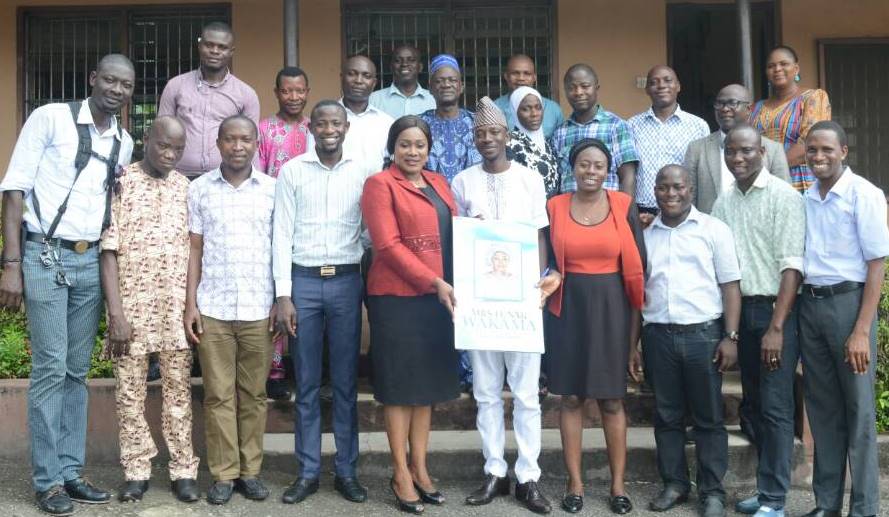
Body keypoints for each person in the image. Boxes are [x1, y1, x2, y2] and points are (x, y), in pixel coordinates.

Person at [0, 53, 135, 516]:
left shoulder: (125, 142)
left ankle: (71, 472)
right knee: (51, 369)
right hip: (43, 255)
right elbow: (14, 189)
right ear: (93, 78)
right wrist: (12, 263)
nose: (116, 89)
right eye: (110, 80)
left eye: (126, 84)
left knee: (77, 372)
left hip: (89, 261)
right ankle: (47, 481)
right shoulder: (50, 118)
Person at [452, 97, 552, 515]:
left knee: (527, 395)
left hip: (523, 302)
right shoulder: (462, 182)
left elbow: (541, 237)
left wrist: (541, 286)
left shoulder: (530, 180)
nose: (487, 139)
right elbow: (459, 242)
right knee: (486, 392)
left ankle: (528, 477)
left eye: (494, 132)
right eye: (480, 133)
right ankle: (495, 470)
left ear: (507, 136)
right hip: (479, 304)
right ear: (473, 138)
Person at [274, 101, 374, 506]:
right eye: (322, 123)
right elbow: (281, 233)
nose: (329, 129)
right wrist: (284, 294)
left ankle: (347, 471)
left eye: (336, 122)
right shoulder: (292, 171)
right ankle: (308, 470)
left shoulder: (364, 170)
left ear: (346, 127)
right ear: (310, 128)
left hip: (347, 282)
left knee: (347, 382)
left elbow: (370, 228)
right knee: (308, 383)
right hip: (304, 282)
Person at [361, 115, 462, 514]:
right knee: (401, 390)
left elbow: (454, 232)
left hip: (438, 300)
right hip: (398, 299)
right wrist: (434, 282)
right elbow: (387, 246)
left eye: (419, 144)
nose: (413, 152)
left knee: (427, 390)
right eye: (405, 144)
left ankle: (421, 468)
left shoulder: (439, 182)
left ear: (429, 147)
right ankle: (400, 472)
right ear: (392, 147)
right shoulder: (379, 185)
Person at [99, 116, 199, 504]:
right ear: (147, 140)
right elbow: (108, 251)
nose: (170, 154)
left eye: (178, 148)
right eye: (163, 146)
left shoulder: (185, 188)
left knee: (179, 392)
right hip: (133, 311)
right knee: (129, 394)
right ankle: (137, 469)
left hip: (174, 309)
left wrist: (191, 304)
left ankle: (183, 470)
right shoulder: (121, 184)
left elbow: (194, 250)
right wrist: (116, 314)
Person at [543, 138, 645, 515]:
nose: (591, 171)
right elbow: (544, 261)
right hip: (567, 308)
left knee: (612, 400)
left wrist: (634, 339)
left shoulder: (624, 205)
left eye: (598, 166)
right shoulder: (554, 207)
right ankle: (575, 483)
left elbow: (638, 273)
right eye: (584, 164)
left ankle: (619, 485)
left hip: (612, 311)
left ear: (609, 170)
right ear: (573, 168)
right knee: (570, 398)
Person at [711, 124, 805, 517]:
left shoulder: (784, 197)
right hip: (740, 310)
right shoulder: (723, 202)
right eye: (732, 151)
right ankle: (766, 489)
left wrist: (776, 328)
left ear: (763, 153)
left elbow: (792, 267)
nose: (738, 158)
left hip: (774, 312)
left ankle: (774, 499)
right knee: (753, 405)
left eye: (746, 151)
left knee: (776, 407)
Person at [184, 115, 276, 505]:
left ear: (256, 144)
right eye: (230, 139)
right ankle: (223, 474)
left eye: (245, 139)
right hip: (214, 307)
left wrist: (281, 299)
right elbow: (194, 248)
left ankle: (250, 471)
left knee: (253, 394)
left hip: (259, 307)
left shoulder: (273, 189)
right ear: (218, 143)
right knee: (218, 395)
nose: (238, 146)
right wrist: (190, 303)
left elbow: (281, 247)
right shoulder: (200, 189)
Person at [798, 121, 888, 517]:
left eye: (826, 150)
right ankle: (827, 504)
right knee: (823, 411)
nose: (818, 157)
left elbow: (876, 265)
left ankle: (865, 507)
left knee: (859, 411)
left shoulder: (864, 195)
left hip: (848, 306)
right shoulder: (806, 198)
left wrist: (862, 331)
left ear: (844, 152)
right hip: (811, 306)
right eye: (812, 150)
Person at [642, 165, 741, 517]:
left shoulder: (713, 230)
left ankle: (712, 492)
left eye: (678, 187)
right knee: (667, 416)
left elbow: (730, 286)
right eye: (664, 187)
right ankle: (675, 484)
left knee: (709, 418)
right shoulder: (647, 234)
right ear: (654, 191)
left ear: (691, 189)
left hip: (702, 336)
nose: (671, 194)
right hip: (658, 336)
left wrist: (731, 337)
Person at [257, 66, 313, 401]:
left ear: (308, 92)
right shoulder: (264, 130)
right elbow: (259, 178)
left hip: (308, 228)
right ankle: (274, 372)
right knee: (275, 297)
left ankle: (306, 370)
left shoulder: (314, 129)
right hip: (275, 225)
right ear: (276, 92)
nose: (293, 97)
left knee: (303, 298)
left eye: (299, 91)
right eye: (287, 91)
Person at [158, 21, 260, 178]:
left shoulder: (246, 94)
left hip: (225, 179)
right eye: (209, 45)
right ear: (199, 46)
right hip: (178, 178)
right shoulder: (176, 86)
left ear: (231, 52)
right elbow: (161, 134)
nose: (215, 51)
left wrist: (255, 184)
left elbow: (251, 143)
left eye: (222, 47)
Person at [683, 84, 791, 213]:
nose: (725, 109)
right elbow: (689, 199)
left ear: (749, 109)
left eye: (732, 103)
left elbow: (785, 199)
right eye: (719, 103)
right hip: (711, 230)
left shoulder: (772, 149)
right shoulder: (697, 149)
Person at [628, 65, 709, 222]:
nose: (661, 86)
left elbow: (702, 174)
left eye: (667, 80)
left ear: (678, 86)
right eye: (654, 82)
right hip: (642, 214)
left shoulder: (698, 126)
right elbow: (628, 172)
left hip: (683, 212)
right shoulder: (631, 125)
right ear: (647, 89)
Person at [750, 45, 831, 193]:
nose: (777, 69)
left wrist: (768, 170)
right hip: (762, 185)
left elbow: (810, 145)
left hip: (800, 183)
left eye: (784, 64)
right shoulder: (755, 108)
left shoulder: (812, 98)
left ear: (796, 69)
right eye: (771, 66)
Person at [551, 64, 639, 196]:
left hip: (607, 210)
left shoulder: (616, 126)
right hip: (569, 211)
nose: (578, 92)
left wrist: (624, 212)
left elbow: (628, 177)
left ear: (596, 88)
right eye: (571, 88)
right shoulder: (560, 133)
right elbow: (558, 179)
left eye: (585, 86)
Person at [419, 54, 482, 183]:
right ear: (430, 88)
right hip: (431, 199)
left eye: (452, 80)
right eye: (439, 81)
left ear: (461, 86)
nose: (446, 85)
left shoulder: (478, 122)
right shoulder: (419, 124)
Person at [340, 55, 394, 173]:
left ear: (374, 83)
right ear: (342, 77)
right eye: (352, 74)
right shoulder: (324, 119)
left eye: (366, 76)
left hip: (376, 190)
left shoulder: (387, 123)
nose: (359, 80)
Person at [506, 86, 561, 197]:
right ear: (515, 111)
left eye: (538, 107)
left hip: (552, 210)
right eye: (526, 109)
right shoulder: (510, 145)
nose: (534, 113)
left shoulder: (547, 144)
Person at [494, 54, 564, 138]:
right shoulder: (494, 108)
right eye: (515, 73)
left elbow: (560, 142)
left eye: (527, 73)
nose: (521, 78)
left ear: (534, 77)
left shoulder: (553, 109)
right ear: (506, 76)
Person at [370, 45, 437, 118]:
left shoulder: (434, 99)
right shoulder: (374, 99)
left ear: (420, 67)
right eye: (398, 60)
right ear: (391, 67)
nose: (404, 64)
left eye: (411, 60)